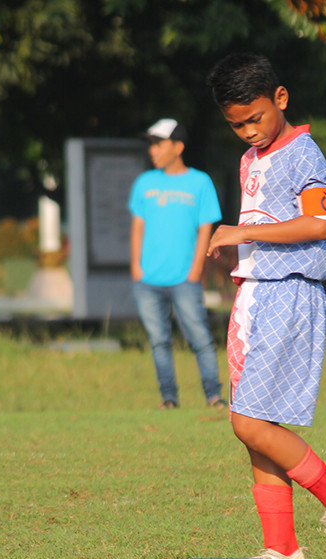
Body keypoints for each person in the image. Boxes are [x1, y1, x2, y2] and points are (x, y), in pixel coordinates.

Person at [205, 53, 326, 559]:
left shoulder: (303, 151)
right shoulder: (251, 159)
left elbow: (318, 223)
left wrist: (243, 234)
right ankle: (282, 551)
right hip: (253, 295)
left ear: (280, 99)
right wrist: (238, 253)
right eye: (236, 125)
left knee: (247, 422)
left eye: (255, 118)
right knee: (259, 425)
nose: (248, 131)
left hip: (288, 293)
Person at [128, 118, 227, 410]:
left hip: (185, 278)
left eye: (158, 144)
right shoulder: (144, 183)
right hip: (148, 280)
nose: (153, 150)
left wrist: (196, 269)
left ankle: (214, 397)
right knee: (159, 341)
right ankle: (169, 399)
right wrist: (136, 266)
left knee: (199, 338)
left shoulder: (200, 182)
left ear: (178, 147)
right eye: (151, 145)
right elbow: (137, 228)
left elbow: (205, 229)